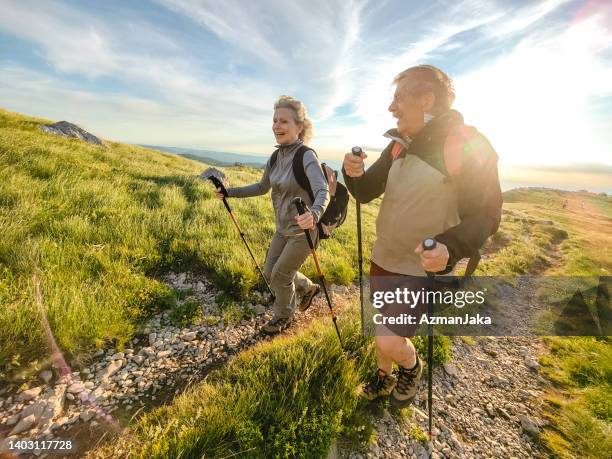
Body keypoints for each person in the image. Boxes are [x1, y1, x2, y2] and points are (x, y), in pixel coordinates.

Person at [343, 65, 502, 407]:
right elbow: (365, 191)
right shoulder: (399, 145)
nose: (391, 108)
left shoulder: (467, 144)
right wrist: (351, 172)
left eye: (399, 98)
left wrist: (450, 247)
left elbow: (488, 215)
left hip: (419, 268)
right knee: (383, 330)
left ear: (427, 99)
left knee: (388, 340)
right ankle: (384, 378)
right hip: (383, 256)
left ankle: (412, 370)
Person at [216, 95, 330, 334]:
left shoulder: (306, 155)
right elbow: (261, 187)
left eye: (284, 121)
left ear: (299, 127)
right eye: (275, 121)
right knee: (270, 273)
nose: (277, 126)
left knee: (280, 276)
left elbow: (322, 190)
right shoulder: (276, 157)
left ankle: (284, 316)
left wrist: (314, 214)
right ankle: (308, 288)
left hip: (303, 232)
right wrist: (229, 192)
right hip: (282, 230)